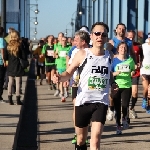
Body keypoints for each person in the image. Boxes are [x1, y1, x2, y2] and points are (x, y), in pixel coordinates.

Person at [53, 22, 117, 150]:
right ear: (91, 36)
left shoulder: (109, 56)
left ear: (106, 38)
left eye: (103, 34)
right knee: (81, 139)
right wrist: (60, 77)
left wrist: (113, 83)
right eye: (97, 34)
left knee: (95, 141)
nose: (100, 36)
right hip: (83, 101)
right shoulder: (83, 54)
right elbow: (69, 72)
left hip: (101, 101)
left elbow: (108, 73)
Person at [106, 23, 136, 121]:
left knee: (126, 97)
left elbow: (132, 53)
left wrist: (135, 65)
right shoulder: (112, 41)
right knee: (112, 95)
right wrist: (114, 56)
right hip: (115, 68)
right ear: (116, 30)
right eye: (120, 29)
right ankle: (111, 109)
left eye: (123, 29)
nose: (121, 30)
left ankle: (124, 115)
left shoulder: (129, 42)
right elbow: (107, 52)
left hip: (126, 69)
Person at [68, 30, 90, 144]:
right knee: (77, 107)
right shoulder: (74, 51)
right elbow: (70, 68)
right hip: (76, 83)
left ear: (83, 41)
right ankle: (78, 133)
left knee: (88, 109)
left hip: (88, 84)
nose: (74, 42)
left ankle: (83, 132)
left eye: (76, 40)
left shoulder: (92, 51)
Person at [111, 42, 135, 134]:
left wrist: (132, 72)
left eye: (124, 47)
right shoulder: (114, 60)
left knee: (125, 105)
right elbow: (110, 73)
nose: (123, 49)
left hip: (127, 85)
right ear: (118, 49)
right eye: (121, 47)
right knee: (117, 107)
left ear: (127, 49)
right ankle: (118, 126)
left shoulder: (130, 60)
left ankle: (124, 118)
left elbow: (133, 70)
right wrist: (115, 73)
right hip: (116, 85)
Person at [4, 30, 26, 105]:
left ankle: (10, 98)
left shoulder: (8, 46)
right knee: (18, 82)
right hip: (18, 65)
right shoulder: (19, 45)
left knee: (10, 82)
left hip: (10, 65)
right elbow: (23, 56)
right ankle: (18, 98)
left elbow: (5, 57)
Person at [127, 30, 143, 118]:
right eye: (129, 37)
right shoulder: (123, 45)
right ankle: (114, 108)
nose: (131, 38)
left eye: (132, 37)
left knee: (135, 92)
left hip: (135, 72)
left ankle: (132, 108)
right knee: (125, 93)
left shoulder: (138, 46)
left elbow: (142, 56)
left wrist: (140, 62)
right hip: (124, 73)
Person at [55, 36, 71, 102]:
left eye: (65, 40)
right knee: (61, 80)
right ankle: (62, 94)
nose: (64, 42)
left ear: (67, 41)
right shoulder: (58, 47)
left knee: (66, 80)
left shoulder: (69, 48)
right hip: (60, 66)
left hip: (66, 66)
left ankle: (66, 90)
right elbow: (55, 54)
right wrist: (56, 55)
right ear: (60, 41)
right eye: (62, 40)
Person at [140, 33, 150, 113]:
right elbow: (138, 56)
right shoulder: (143, 46)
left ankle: (148, 106)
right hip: (144, 70)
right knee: (146, 88)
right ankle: (144, 99)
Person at [0, 27, 6, 102]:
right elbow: (2, 50)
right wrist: (4, 60)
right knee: (1, 79)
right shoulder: (1, 40)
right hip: (0, 62)